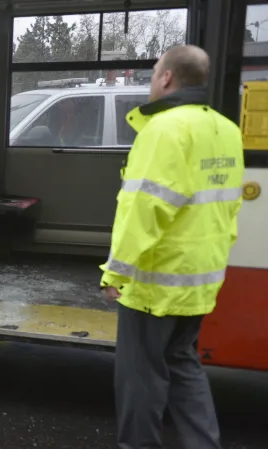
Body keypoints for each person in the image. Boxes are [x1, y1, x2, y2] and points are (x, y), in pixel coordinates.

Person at [100, 45, 244, 449]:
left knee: (140, 378)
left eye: (153, 74)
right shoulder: (226, 129)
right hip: (200, 279)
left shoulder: (163, 129)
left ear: (166, 78)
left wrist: (117, 273)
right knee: (183, 364)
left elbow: (143, 209)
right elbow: (229, 207)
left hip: (154, 282)